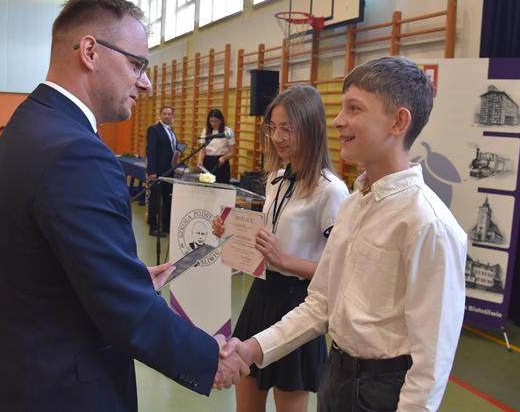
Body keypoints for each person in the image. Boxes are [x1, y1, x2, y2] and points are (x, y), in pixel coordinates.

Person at [0, 0, 248, 412]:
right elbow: (124, 310)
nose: (145, 83)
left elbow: (41, 260)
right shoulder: (78, 153)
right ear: (90, 51)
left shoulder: (28, 124)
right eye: (136, 65)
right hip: (62, 392)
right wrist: (210, 360)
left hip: (13, 380)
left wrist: (121, 273)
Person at [220, 57, 468, 412]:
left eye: (354, 108)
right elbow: (321, 303)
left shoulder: (429, 225)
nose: (337, 120)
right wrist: (252, 348)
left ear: (398, 122)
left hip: (384, 391)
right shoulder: (353, 205)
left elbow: (431, 363)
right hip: (336, 376)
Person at [212, 85, 349, 412]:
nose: (278, 137)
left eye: (288, 128)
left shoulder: (331, 191)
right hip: (261, 295)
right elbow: (269, 238)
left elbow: (339, 271)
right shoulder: (275, 178)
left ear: (311, 128)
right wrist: (230, 231)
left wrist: (283, 259)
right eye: (273, 127)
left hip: (299, 304)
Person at [146, 105, 180, 236]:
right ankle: (153, 227)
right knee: (155, 199)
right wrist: (152, 171)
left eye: (169, 114)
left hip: (170, 170)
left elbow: (171, 149)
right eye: (164, 113)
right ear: (160, 115)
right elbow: (151, 151)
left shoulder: (171, 131)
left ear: (173, 116)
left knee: (168, 198)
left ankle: (166, 226)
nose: (167, 116)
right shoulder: (154, 130)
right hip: (158, 171)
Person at [197, 108, 237, 184]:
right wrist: (200, 160)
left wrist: (224, 158)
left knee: (221, 186)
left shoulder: (227, 131)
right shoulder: (205, 130)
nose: (213, 124)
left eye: (216, 121)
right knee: (205, 187)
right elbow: (203, 149)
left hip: (221, 162)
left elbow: (233, 151)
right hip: (207, 162)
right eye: (211, 121)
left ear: (221, 121)